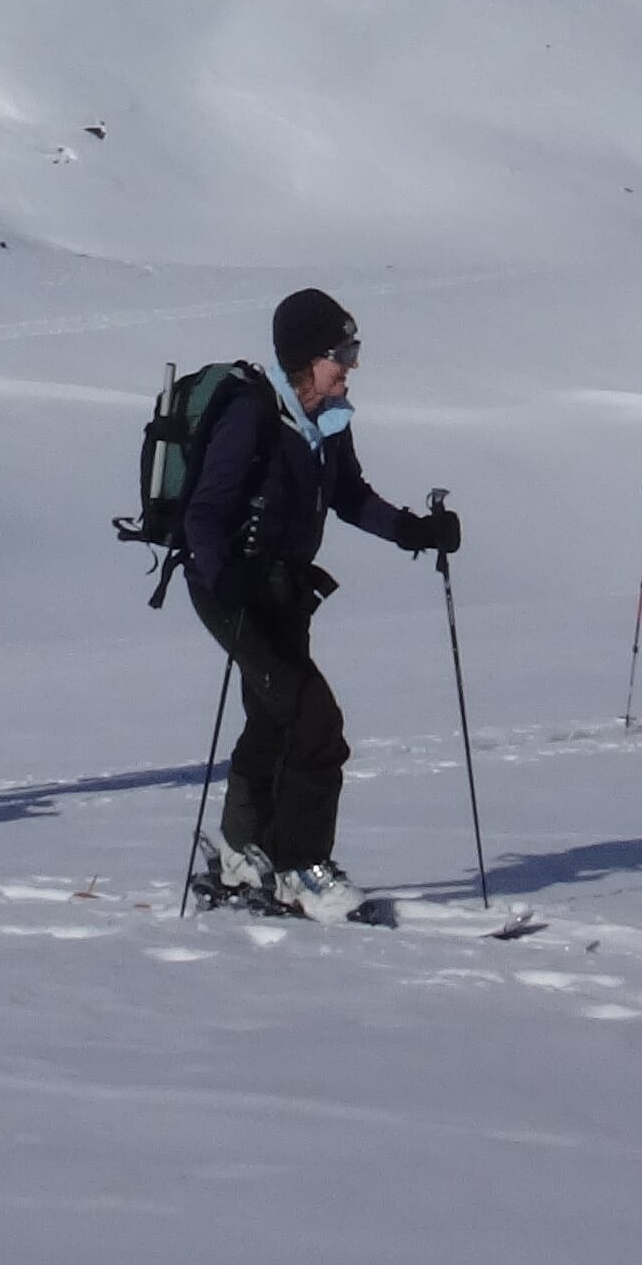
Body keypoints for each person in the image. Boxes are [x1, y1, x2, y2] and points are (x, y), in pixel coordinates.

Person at [177, 287, 456, 920]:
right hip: (232, 593)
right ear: (307, 359)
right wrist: (226, 579)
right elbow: (204, 513)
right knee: (314, 720)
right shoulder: (252, 414)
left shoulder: (327, 422)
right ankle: (301, 867)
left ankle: (240, 851)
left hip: (282, 590)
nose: (351, 365)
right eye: (343, 353)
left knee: (276, 719)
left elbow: (349, 495)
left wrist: (414, 530)